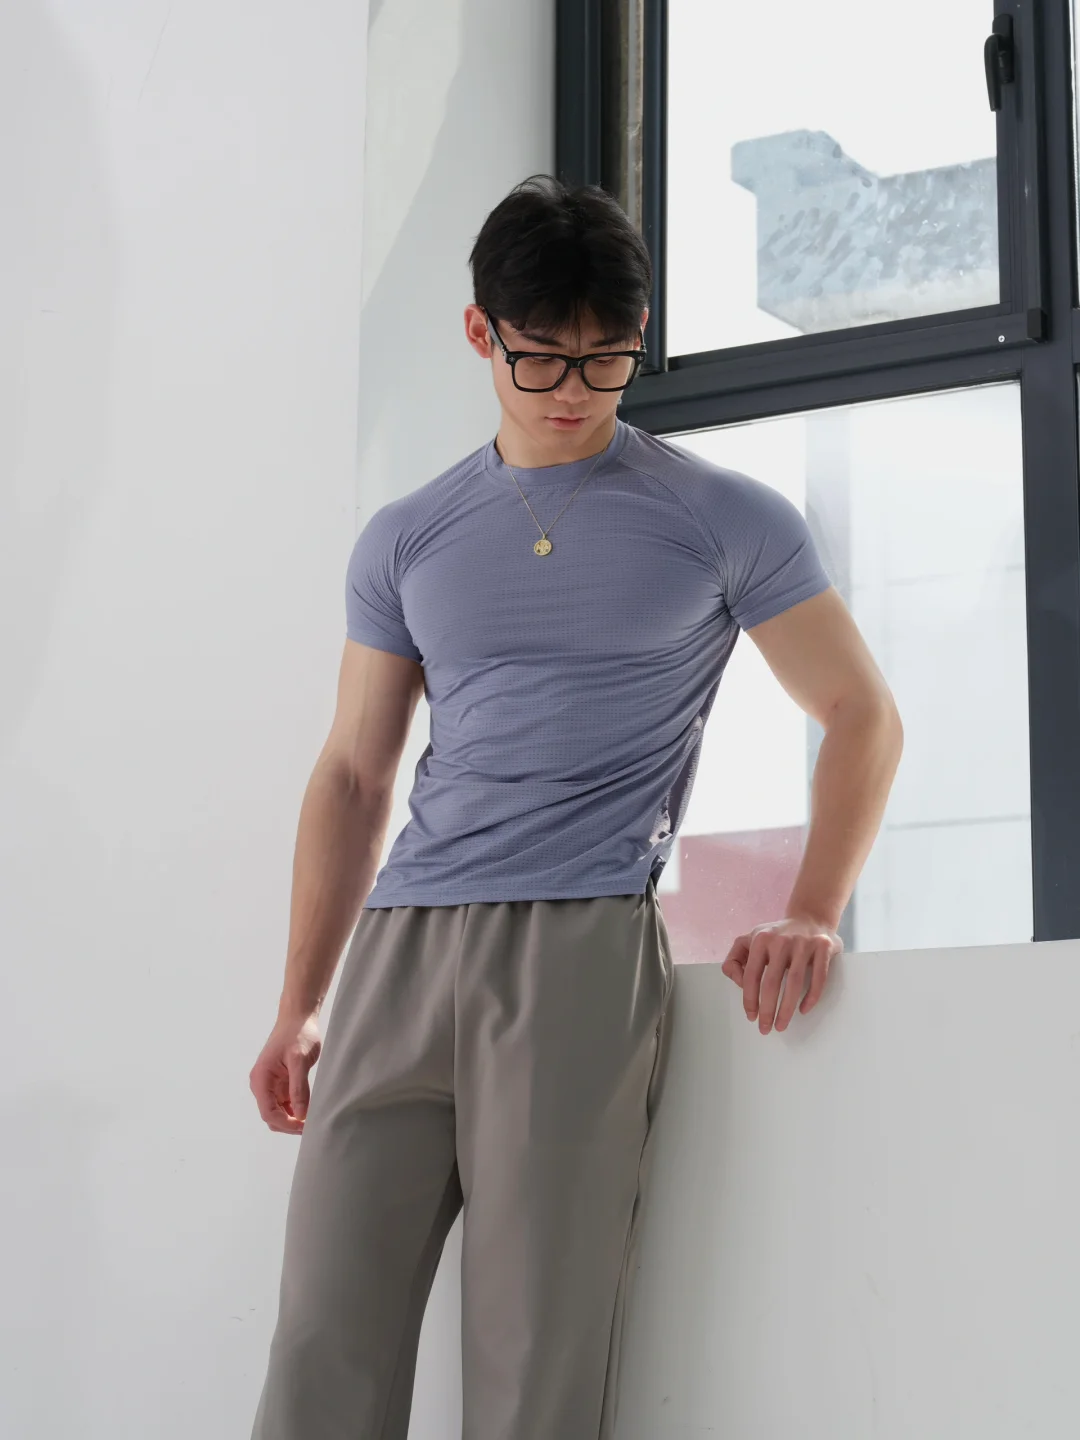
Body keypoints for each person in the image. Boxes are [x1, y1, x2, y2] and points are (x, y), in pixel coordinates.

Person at [247, 174, 903, 1440]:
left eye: (607, 363)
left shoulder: (723, 519)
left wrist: (814, 908)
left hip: (580, 945)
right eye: (543, 359)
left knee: (536, 1347)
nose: (574, 393)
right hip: (399, 952)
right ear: (481, 333)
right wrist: (301, 999)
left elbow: (862, 713)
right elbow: (354, 775)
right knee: (322, 1335)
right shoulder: (408, 536)